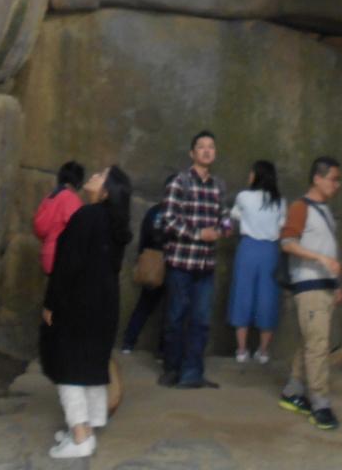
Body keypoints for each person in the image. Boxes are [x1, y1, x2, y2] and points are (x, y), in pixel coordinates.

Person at [40, 165, 133, 459]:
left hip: (78, 304)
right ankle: (87, 429)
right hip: (104, 305)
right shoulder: (116, 223)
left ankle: (80, 435)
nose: (93, 176)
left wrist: (51, 303)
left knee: (69, 368)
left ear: (106, 191)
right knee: (91, 365)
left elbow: (66, 266)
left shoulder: (87, 216)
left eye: (101, 175)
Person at [158, 130, 232, 389]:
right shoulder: (179, 182)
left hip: (205, 266)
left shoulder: (218, 186)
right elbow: (169, 220)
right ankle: (172, 368)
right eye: (201, 146)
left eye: (211, 147)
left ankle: (193, 373)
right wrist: (199, 234)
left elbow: (225, 216)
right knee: (176, 317)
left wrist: (225, 228)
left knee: (201, 321)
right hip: (181, 263)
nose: (207, 150)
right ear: (192, 153)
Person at [277, 156, 342, 430]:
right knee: (317, 346)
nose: (337, 185)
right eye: (333, 179)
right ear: (317, 178)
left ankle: (293, 391)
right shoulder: (300, 207)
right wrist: (320, 259)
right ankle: (320, 404)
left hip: (324, 285)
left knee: (309, 342)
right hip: (309, 284)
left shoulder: (325, 210)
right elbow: (287, 243)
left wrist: (336, 284)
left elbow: (329, 250)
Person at [227, 160, 286, 364]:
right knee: (268, 297)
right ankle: (263, 351)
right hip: (270, 251)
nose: (249, 176)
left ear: (257, 175)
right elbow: (282, 227)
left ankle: (241, 350)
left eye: (251, 173)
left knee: (242, 295)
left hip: (247, 249)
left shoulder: (243, 196)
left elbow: (234, 216)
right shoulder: (280, 201)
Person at [121, 172, 177, 354]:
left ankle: (128, 342)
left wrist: (142, 258)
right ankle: (162, 350)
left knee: (144, 305)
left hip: (152, 262)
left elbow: (144, 239)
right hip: (173, 264)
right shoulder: (179, 215)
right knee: (169, 310)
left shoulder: (154, 212)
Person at [32, 161, 84, 275]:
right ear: (78, 183)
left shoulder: (50, 197)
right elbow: (78, 228)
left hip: (47, 254)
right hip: (62, 257)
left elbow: (39, 227)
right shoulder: (71, 198)